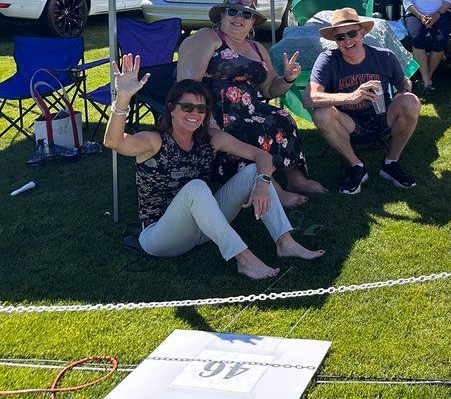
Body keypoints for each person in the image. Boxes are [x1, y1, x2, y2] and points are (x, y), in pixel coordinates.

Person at [103, 55, 324, 279]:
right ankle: (244, 259)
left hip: (203, 228)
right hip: (160, 237)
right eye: (187, 107)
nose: (194, 114)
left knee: (252, 172)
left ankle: (285, 242)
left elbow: (261, 156)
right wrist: (122, 99)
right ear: (171, 109)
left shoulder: (211, 138)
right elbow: (114, 142)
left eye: (201, 109)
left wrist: (263, 183)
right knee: (196, 187)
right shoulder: (154, 141)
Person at [177, 0, 328, 207]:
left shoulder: (257, 48)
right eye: (232, 11)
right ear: (222, 15)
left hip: (249, 108)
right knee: (249, 130)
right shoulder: (209, 37)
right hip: (216, 112)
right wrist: (205, 118)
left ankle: (296, 178)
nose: (239, 17)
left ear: (253, 22)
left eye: (246, 14)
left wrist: (288, 78)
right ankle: (274, 190)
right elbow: (188, 84)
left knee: (283, 118)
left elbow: (269, 89)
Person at [305, 7, 421, 195]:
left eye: (352, 33)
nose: (347, 41)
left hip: (382, 115)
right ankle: (356, 166)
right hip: (349, 123)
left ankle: (391, 163)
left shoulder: (384, 56)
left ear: (363, 33)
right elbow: (309, 98)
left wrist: (404, 92)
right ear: (335, 40)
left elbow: (403, 82)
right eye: (340, 37)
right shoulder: (327, 59)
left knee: (411, 101)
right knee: (320, 113)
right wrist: (350, 97)